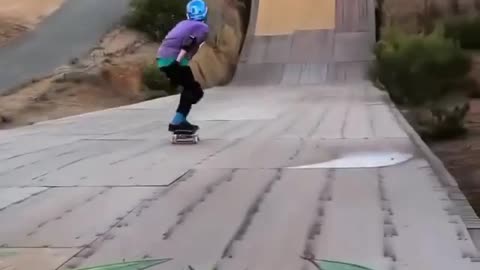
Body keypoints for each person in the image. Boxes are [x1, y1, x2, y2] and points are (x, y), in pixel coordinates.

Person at [156, 0, 209, 133]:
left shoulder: (183, 24)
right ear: (205, 12)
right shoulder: (202, 27)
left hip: (162, 59)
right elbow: (189, 41)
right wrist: (177, 62)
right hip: (174, 61)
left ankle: (180, 119)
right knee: (195, 90)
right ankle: (177, 121)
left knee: (189, 88)